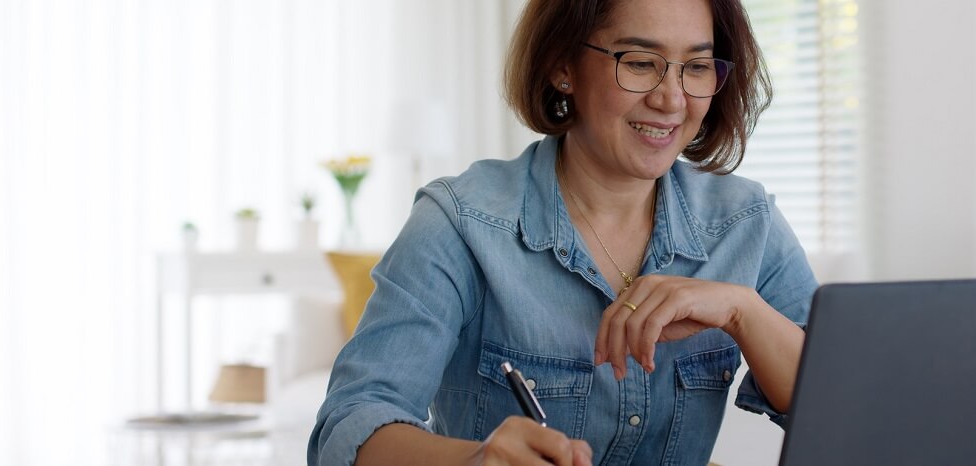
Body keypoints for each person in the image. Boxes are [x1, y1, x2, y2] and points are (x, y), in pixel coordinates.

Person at [308, 0, 816, 464]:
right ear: (562, 66)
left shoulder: (746, 221)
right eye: (640, 62)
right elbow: (349, 425)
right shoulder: (460, 223)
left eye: (698, 67)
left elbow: (853, 404)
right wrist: (475, 462)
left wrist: (742, 312)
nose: (672, 99)